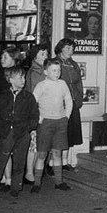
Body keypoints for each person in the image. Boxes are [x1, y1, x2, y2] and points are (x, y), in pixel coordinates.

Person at [0, 66, 38, 198]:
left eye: (24, 77)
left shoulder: (28, 97)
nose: (23, 80)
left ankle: (16, 187)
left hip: (22, 133)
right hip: (7, 132)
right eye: (20, 77)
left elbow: (34, 115)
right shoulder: (2, 96)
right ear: (10, 79)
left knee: (20, 162)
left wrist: (28, 129)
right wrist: (2, 128)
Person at [31, 58, 73, 193]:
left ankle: (59, 182)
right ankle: (37, 183)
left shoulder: (63, 84)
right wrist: (39, 118)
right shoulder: (41, 85)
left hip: (60, 122)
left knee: (57, 153)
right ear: (45, 72)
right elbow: (33, 103)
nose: (57, 73)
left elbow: (68, 100)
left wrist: (67, 116)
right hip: (45, 123)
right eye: (54, 70)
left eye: (59, 70)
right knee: (42, 154)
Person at [55, 38, 83, 170]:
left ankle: (65, 162)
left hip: (73, 104)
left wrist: (79, 99)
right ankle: (54, 164)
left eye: (72, 49)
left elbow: (79, 84)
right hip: (60, 105)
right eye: (67, 48)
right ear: (60, 48)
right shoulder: (54, 63)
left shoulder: (74, 64)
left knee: (70, 135)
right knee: (59, 135)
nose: (70, 51)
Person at [24, 43, 50, 183]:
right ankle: (29, 172)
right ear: (35, 56)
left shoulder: (42, 70)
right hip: (37, 111)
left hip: (43, 111)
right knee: (34, 144)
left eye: (46, 54)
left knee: (40, 143)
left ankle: (35, 171)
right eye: (42, 54)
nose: (45, 56)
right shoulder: (35, 72)